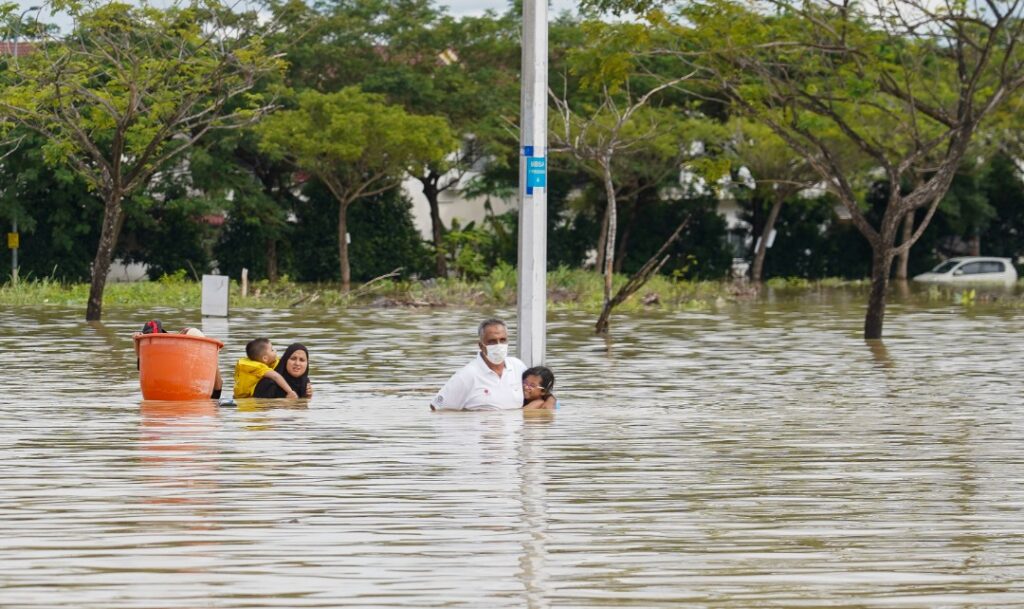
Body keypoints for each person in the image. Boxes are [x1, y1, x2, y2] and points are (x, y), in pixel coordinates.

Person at [430, 318, 527, 411]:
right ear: (481, 345)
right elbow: (437, 408)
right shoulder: (467, 375)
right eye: (492, 341)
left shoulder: (518, 367)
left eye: (502, 340)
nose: (498, 345)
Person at [133, 320, 223, 399]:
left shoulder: (174, 347)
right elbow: (141, 360)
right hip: (196, 391)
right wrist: (136, 341)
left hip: (206, 391)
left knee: (215, 395)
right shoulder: (153, 358)